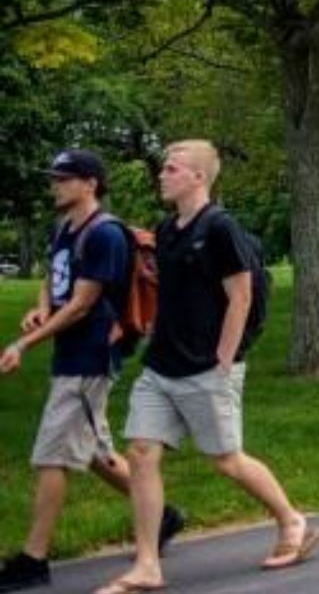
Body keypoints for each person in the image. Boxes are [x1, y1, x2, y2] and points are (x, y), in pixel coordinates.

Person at [99, 141, 319, 594]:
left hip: (207, 367)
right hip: (161, 366)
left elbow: (240, 295)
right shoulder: (166, 229)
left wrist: (224, 358)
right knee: (141, 453)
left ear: (198, 177)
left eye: (172, 168)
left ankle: (291, 520)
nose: (162, 174)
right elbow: (170, 291)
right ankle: (147, 566)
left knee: (227, 460)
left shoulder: (220, 228)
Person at [0, 151, 185, 594]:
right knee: (93, 451)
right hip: (70, 352)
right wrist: (41, 308)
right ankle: (164, 516)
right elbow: (55, 277)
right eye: (54, 178)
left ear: (90, 184)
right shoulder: (65, 228)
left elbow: (83, 303)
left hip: (91, 356)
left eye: (64, 179)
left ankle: (33, 559)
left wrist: (23, 343)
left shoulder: (105, 235)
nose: (55, 186)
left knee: (52, 456)